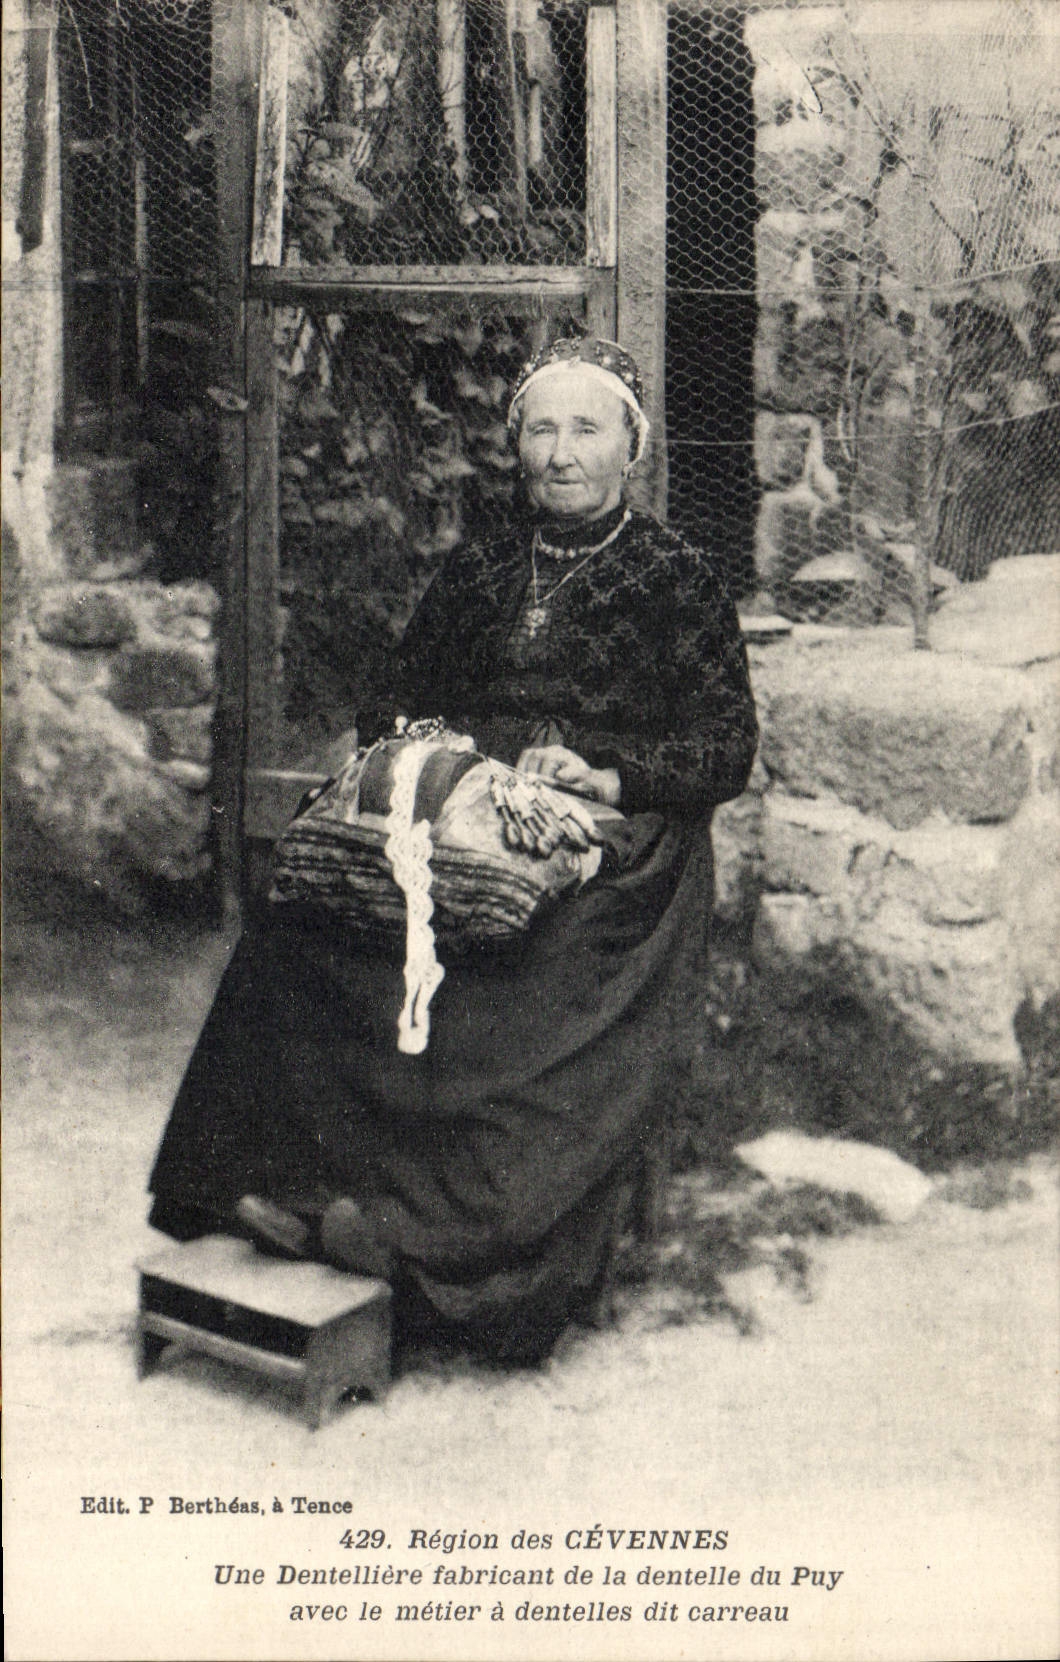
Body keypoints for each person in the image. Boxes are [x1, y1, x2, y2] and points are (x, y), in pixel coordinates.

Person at [147, 336, 758, 1366]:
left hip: (612, 839)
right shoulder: (477, 569)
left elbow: (723, 743)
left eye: (587, 429)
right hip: (468, 807)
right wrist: (445, 758)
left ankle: (442, 1247)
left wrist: (608, 776)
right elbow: (395, 695)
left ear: (630, 448)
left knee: (530, 958)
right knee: (310, 921)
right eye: (542, 430)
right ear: (515, 446)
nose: (562, 454)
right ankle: (297, 1191)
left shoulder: (675, 576)